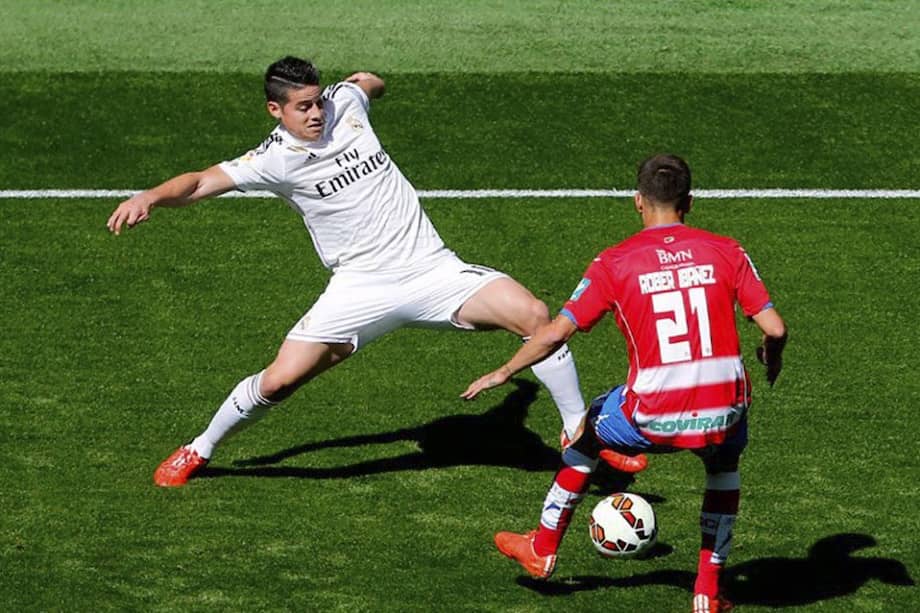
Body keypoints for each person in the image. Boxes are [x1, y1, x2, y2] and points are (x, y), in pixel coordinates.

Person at [106, 56, 645, 488]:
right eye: (301, 108)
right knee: (281, 379)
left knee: (532, 313)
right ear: (275, 110)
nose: (315, 114)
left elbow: (367, 83)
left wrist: (369, 84)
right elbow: (199, 183)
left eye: (317, 101)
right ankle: (200, 449)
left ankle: (579, 433)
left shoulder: (345, 104)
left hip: (433, 271)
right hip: (359, 288)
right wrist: (152, 195)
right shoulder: (272, 161)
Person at [462, 154, 787, 613]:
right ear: (689, 202)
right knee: (724, 466)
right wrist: (770, 359)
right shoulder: (726, 250)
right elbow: (774, 329)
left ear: (637, 202)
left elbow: (555, 332)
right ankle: (708, 592)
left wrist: (504, 371)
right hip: (725, 409)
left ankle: (543, 546)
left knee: (587, 429)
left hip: (652, 414)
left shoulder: (614, 263)